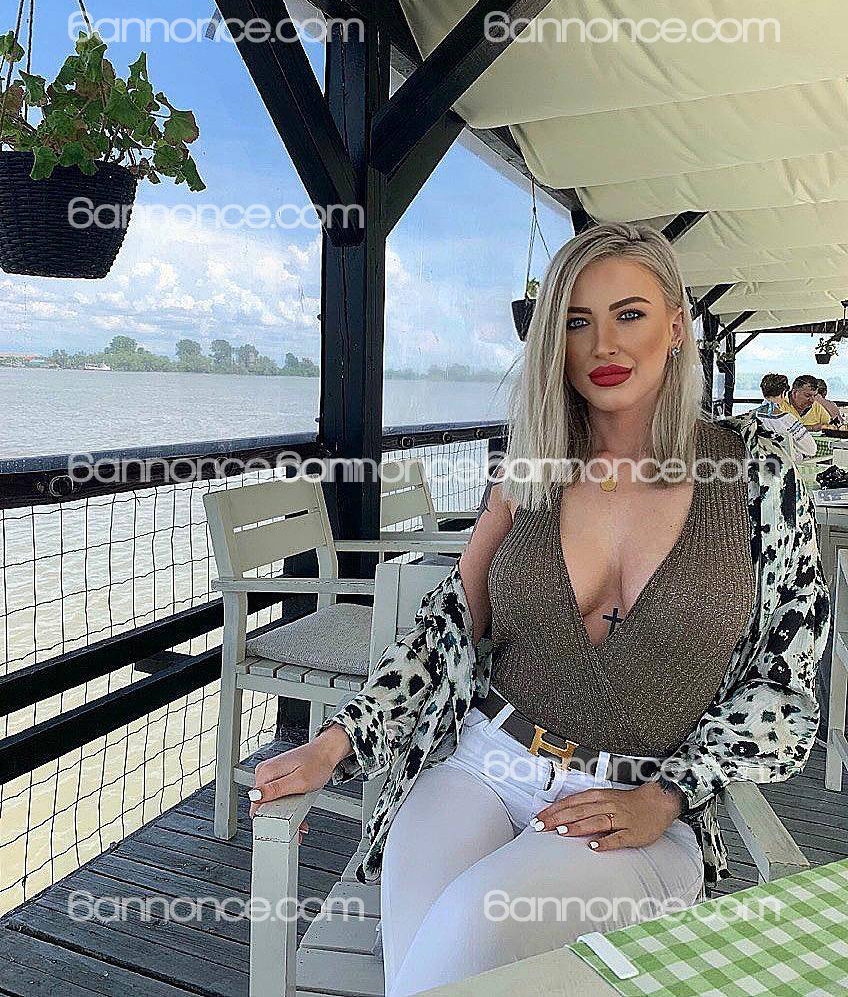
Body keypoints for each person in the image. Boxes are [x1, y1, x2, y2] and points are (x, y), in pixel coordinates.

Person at [247, 223, 829, 996]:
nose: (602, 344)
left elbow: (784, 692)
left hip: (640, 798)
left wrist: (668, 795)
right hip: (482, 764)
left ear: (676, 327)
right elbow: (449, 627)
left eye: (629, 314)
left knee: (473, 927)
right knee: (422, 966)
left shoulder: (758, 477)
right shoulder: (532, 465)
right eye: (576, 322)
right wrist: (336, 742)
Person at [756, 373, 817, 459]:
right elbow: (811, 450)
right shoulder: (787, 420)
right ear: (783, 393)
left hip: (758, 463)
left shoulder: (752, 417)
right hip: (785, 464)